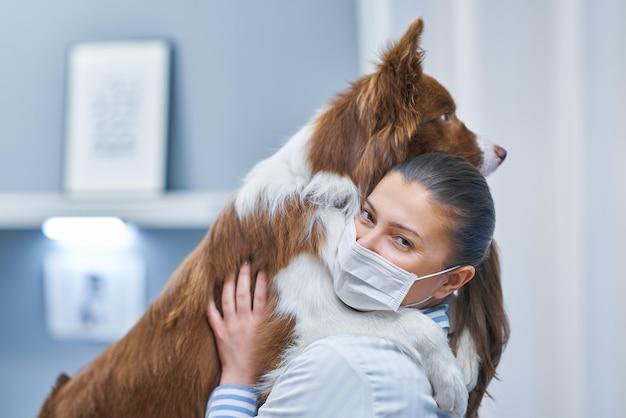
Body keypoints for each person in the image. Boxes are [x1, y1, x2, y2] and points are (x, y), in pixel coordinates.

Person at [205, 152, 509, 418]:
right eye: (368, 215)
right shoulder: (452, 353)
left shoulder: (345, 364)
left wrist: (237, 380)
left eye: (402, 241)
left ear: (451, 280)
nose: (364, 243)